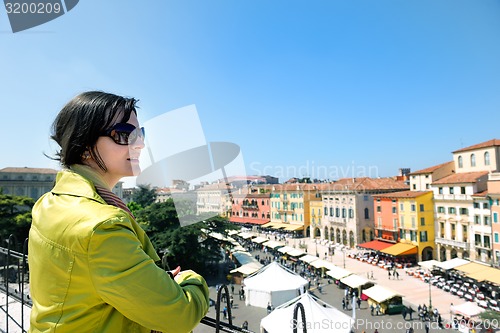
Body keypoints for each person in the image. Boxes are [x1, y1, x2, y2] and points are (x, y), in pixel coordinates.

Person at [28, 91, 210, 333]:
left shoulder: (49, 203)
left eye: (140, 134)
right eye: (124, 134)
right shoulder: (102, 226)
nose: (140, 143)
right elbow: (180, 315)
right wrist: (189, 280)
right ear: (83, 147)